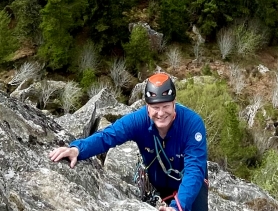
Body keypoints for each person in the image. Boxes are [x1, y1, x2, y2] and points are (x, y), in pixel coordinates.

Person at [49, 73, 209, 211]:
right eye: (155, 107)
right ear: (147, 107)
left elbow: (194, 170)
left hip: (191, 184)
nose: (161, 113)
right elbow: (108, 136)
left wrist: (177, 207)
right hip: (159, 182)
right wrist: (78, 149)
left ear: (174, 104)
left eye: (166, 106)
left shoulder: (192, 124)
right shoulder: (138, 121)